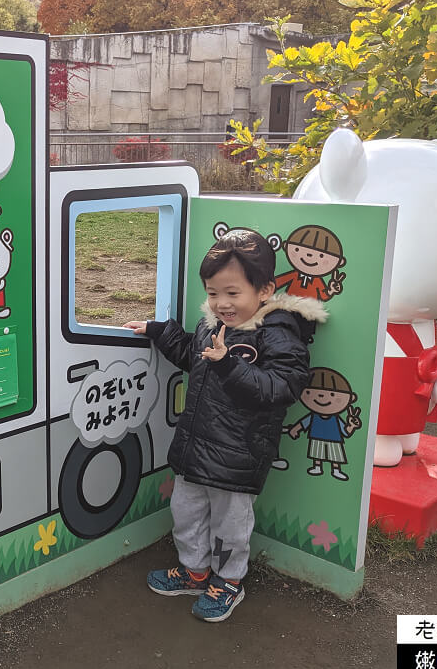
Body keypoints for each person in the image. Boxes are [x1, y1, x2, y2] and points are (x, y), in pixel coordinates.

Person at [125, 229, 326, 622]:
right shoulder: (212, 325)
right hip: (196, 447)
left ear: (265, 290)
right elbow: (191, 355)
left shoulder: (279, 334)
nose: (221, 303)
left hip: (239, 454)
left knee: (230, 525)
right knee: (185, 512)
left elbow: (280, 388)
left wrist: (228, 364)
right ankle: (194, 570)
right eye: (214, 293)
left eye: (232, 294)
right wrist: (158, 331)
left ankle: (229, 581)